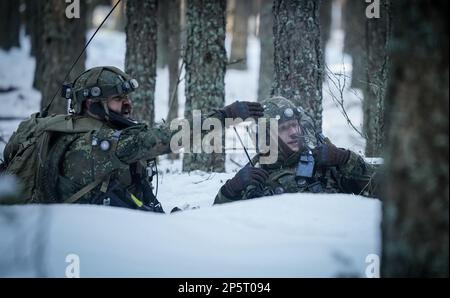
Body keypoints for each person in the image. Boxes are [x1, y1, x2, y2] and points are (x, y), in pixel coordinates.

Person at [24, 66, 263, 212]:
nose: (128, 104)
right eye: (118, 99)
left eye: (127, 97)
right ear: (91, 104)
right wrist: (223, 116)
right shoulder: (95, 143)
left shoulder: (96, 131)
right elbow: (160, 139)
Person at [214, 96, 380, 205]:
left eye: (294, 125)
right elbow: (221, 222)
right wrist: (230, 190)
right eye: (284, 128)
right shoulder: (256, 175)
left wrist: (346, 159)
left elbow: (382, 190)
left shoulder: (324, 162)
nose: (293, 132)